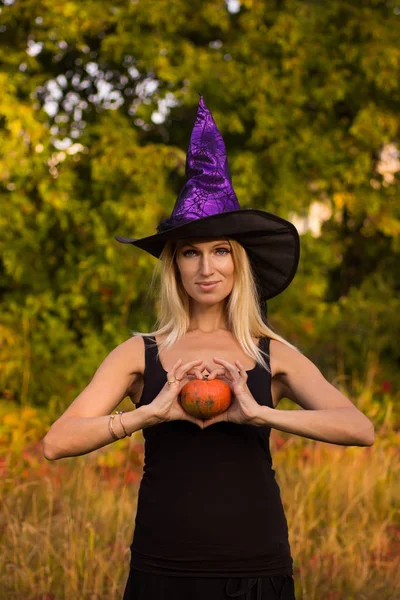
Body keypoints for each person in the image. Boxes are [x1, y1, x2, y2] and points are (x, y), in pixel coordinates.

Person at [42, 97, 375, 600]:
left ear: (239, 263)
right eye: (191, 253)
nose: (206, 268)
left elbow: (359, 429)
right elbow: (56, 441)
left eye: (221, 251)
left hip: (255, 566)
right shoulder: (140, 353)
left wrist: (261, 414)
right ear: (174, 265)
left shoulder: (271, 353)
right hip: (163, 567)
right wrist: (145, 416)